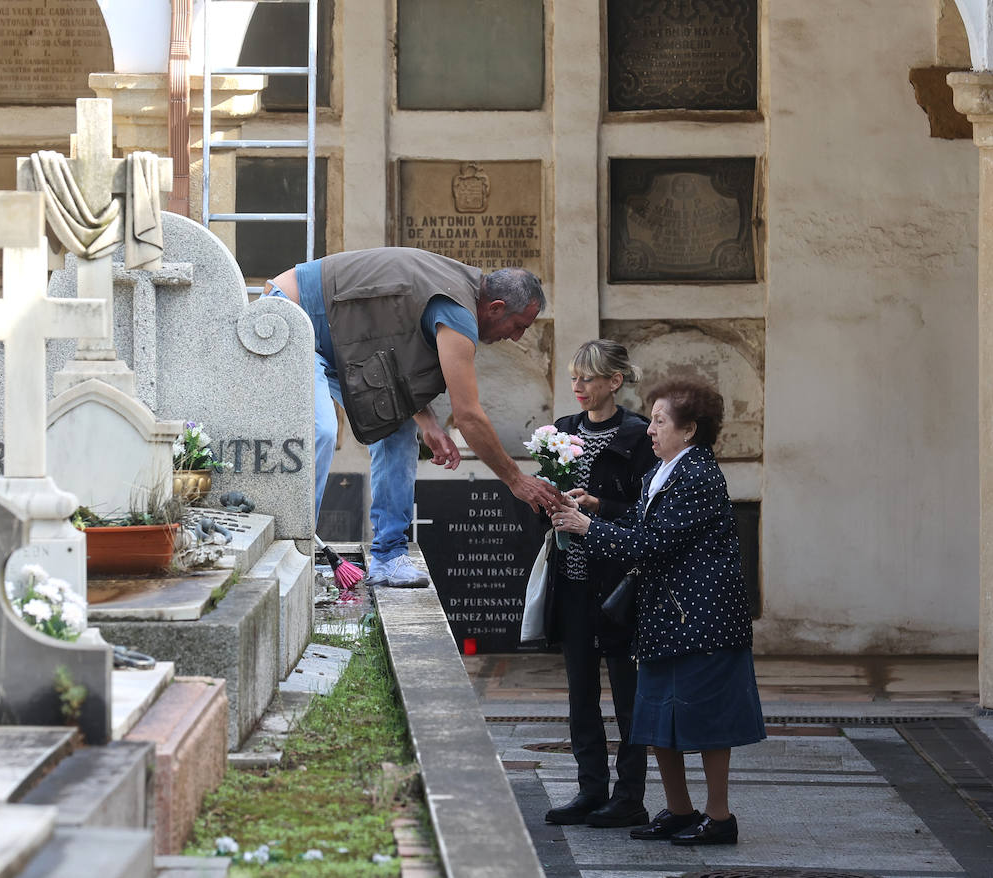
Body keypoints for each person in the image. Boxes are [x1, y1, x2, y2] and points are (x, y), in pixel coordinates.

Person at [265, 247, 561, 587]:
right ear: (495, 308)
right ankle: (294, 552)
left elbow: (393, 349)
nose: (516, 337)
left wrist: (429, 423)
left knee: (397, 431)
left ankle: (388, 558)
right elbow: (469, 417)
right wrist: (516, 480)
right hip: (290, 316)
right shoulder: (457, 311)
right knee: (320, 430)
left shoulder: (454, 290)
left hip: (341, 340)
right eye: (518, 325)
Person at [550, 375, 764, 846]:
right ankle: (679, 810)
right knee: (658, 719)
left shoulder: (699, 475)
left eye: (660, 421)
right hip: (665, 620)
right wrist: (596, 505)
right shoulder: (659, 473)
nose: (650, 429)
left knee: (706, 723)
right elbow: (635, 520)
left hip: (703, 621)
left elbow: (653, 543)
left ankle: (719, 817)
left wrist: (587, 527)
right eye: (652, 419)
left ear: (688, 430)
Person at [537, 340, 658, 829]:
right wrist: (546, 501)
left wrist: (597, 507)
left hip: (620, 585)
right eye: (574, 377)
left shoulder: (639, 436)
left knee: (628, 695)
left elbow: (652, 517)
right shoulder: (562, 431)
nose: (578, 387)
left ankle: (630, 796)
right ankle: (590, 790)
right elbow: (539, 497)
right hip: (572, 580)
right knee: (580, 691)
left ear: (615, 381)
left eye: (588, 378)